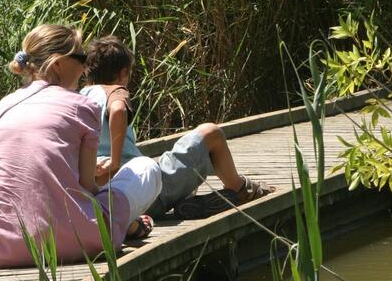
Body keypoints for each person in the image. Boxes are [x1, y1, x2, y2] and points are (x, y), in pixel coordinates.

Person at [0, 24, 162, 268]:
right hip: (77, 242)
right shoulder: (82, 107)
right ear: (58, 63)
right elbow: (87, 187)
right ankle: (128, 225)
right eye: (80, 57)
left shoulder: (1, 107)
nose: (84, 66)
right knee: (146, 168)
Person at [80, 35, 274, 220]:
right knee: (210, 133)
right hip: (140, 190)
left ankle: (187, 198)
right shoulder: (112, 90)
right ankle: (241, 190)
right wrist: (114, 163)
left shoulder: (76, 98)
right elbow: (118, 109)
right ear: (124, 73)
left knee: (174, 164)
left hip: (104, 198)